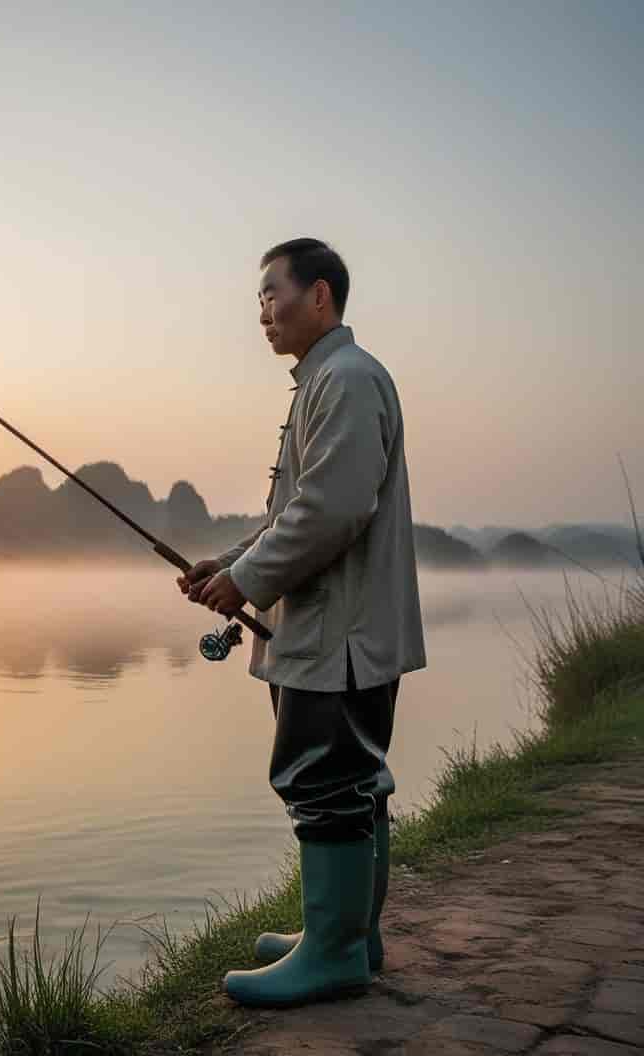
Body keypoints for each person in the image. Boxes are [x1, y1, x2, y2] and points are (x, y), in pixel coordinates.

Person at [176, 238, 426, 1008]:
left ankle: (335, 953)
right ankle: (350, 935)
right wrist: (226, 566)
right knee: (355, 786)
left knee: (326, 785)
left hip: (337, 640)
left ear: (319, 296)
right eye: (256, 299)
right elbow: (293, 512)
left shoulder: (346, 381)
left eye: (269, 294)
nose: (261, 312)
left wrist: (246, 580)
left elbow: (333, 511)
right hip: (330, 635)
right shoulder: (326, 381)